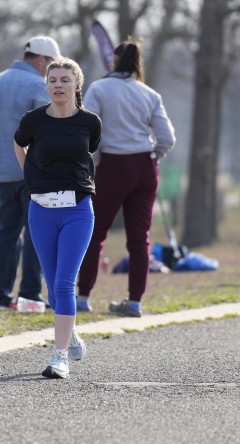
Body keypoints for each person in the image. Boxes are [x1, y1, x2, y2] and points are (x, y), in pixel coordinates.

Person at [74, 38, 175, 318]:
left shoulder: (100, 88)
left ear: (113, 61)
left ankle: (83, 297)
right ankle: (134, 303)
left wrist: (95, 159)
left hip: (113, 165)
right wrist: (154, 156)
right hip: (145, 167)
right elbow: (167, 137)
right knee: (140, 239)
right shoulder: (150, 94)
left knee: (95, 233)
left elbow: (87, 128)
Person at [14, 57, 101, 378]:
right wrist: (31, 174)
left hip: (77, 210)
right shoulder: (33, 121)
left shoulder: (89, 122)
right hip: (41, 210)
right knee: (52, 288)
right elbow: (19, 143)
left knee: (65, 283)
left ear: (78, 85)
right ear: (46, 85)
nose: (58, 86)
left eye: (65, 80)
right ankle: (70, 332)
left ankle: (59, 357)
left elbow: (90, 150)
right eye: (52, 80)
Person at [0, 36, 60, 312]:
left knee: (6, 231)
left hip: (1, 169)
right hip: (30, 170)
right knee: (36, 232)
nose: (51, 71)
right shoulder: (37, 85)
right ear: (41, 60)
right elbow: (49, 127)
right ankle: (29, 293)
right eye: (51, 64)